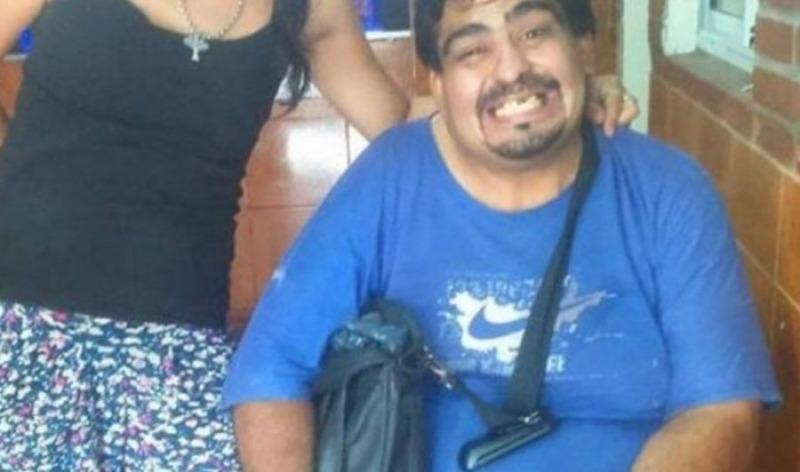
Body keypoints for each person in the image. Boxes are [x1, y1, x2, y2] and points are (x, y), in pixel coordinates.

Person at [0, 0, 635, 470]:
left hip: (174, 335)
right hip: (17, 312)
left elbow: (400, 123)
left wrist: (552, 97)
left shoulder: (309, 8)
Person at [222, 0, 781, 471]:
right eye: (473, 50)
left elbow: (719, 408)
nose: (511, 68)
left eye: (534, 33)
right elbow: (271, 370)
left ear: (584, 49)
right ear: (438, 84)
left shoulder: (668, 191)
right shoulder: (387, 180)